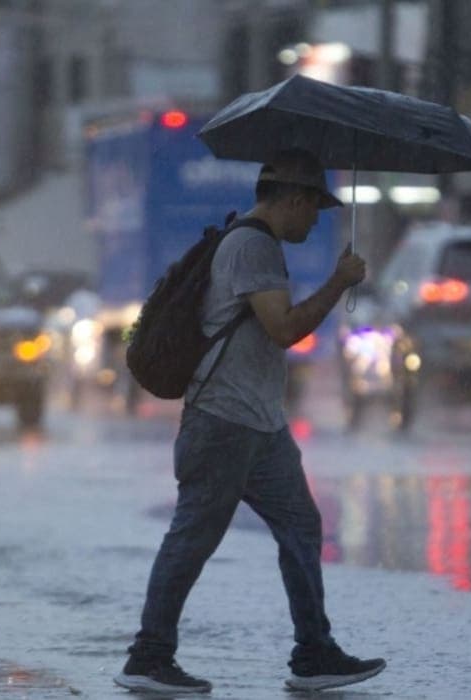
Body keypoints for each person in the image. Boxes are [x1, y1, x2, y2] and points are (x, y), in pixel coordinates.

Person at [114, 149, 386, 695]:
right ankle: (148, 657)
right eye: (314, 209)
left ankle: (314, 653)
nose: (316, 220)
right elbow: (283, 328)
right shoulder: (252, 246)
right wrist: (338, 283)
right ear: (292, 199)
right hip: (223, 423)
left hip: (260, 426)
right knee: (193, 538)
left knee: (301, 527)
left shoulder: (256, 245)